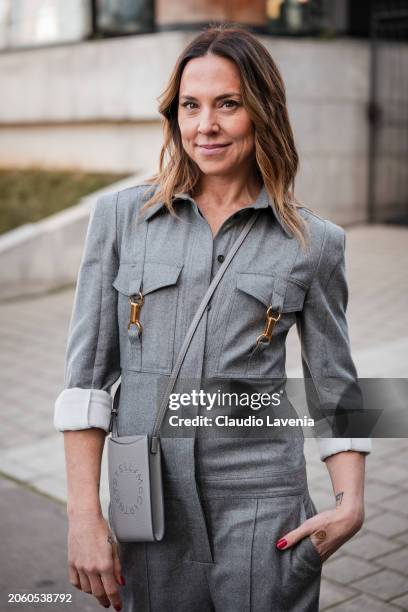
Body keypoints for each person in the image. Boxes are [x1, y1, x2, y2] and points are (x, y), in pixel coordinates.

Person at [54, 25, 372, 612]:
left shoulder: (315, 242)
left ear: (262, 111)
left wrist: (350, 502)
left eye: (229, 104)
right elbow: (86, 383)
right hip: (149, 503)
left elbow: (338, 382)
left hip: (262, 500)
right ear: (173, 116)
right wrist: (82, 514)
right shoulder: (120, 218)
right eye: (190, 106)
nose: (207, 125)